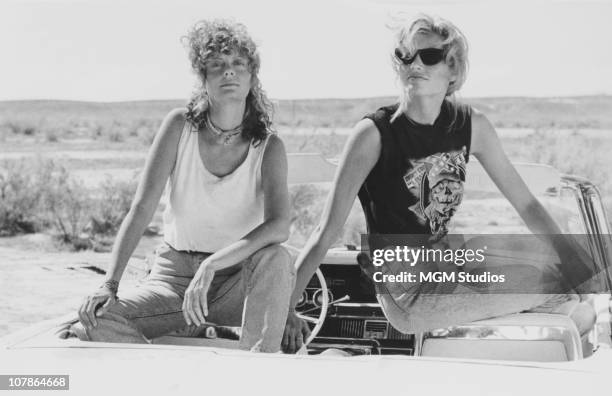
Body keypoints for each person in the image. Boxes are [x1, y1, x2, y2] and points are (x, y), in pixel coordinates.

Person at [281, 14, 596, 353]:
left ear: (453, 69)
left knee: (571, 290)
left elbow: (528, 204)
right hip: (407, 291)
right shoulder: (373, 134)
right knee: (566, 298)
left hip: (451, 269)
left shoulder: (472, 126)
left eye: (428, 56)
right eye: (405, 56)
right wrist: (284, 306)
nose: (414, 64)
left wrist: (574, 258)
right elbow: (326, 230)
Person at [70, 19, 294, 353]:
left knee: (276, 258)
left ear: (252, 77)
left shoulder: (269, 147)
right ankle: (169, 380)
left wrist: (213, 263)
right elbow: (142, 208)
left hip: (237, 282)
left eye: (237, 64)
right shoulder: (180, 127)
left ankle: (255, 376)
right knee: (93, 322)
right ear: (204, 79)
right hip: (174, 281)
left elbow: (279, 225)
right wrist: (110, 283)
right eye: (216, 65)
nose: (228, 72)